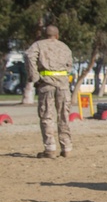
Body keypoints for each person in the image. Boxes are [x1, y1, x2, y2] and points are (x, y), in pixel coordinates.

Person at [24, 25, 73, 158]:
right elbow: (70, 65)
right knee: (64, 116)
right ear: (57, 36)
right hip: (63, 85)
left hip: (46, 85)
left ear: (45, 35)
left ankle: (50, 148)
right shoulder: (64, 47)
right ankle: (66, 148)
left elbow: (29, 56)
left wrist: (34, 77)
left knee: (47, 116)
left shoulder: (38, 45)